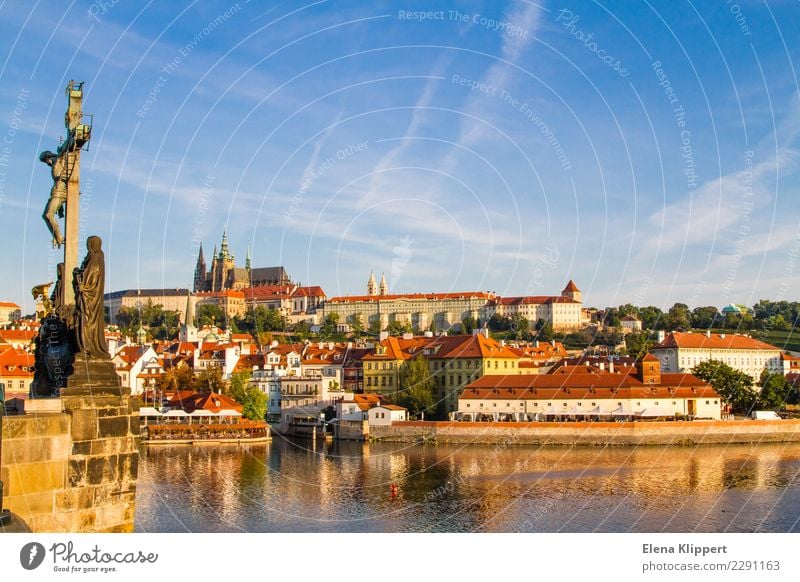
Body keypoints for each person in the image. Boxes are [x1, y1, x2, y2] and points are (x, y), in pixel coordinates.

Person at [74, 236, 110, 359]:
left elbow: (91, 278)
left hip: (89, 299)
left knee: (86, 322)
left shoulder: (94, 258)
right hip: (93, 299)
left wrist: (83, 286)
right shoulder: (99, 258)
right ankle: (87, 348)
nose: (87, 247)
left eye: (88, 244)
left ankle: (87, 349)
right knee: (87, 323)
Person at [39, 150, 68, 248]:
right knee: (44, 216)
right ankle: (56, 236)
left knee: (48, 215)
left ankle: (59, 237)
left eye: (46, 160)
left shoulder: (60, 159)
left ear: (49, 157)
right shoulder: (55, 164)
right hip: (55, 191)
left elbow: (66, 149)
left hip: (60, 191)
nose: (47, 163)